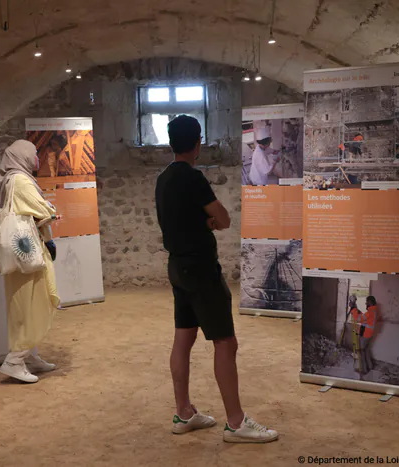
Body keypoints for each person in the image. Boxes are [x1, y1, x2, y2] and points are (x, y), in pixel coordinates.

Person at [155, 115, 279, 444]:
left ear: (171, 143)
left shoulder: (163, 178)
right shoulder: (193, 178)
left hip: (178, 267)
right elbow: (222, 218)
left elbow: (175, 220)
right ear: (197, 143)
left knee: (184, 338)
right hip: (200, 269)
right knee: (226, 342)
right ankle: (236, 423)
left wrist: (201, 222)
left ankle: (183, 413)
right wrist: (209, 223)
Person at [0, 140, 60, 384]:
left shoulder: (9, 180)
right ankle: (14, 360)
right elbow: (45, 211)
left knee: (25, 304)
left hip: (21, 254)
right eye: (34, 154)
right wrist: (52, 211)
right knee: (31, 305)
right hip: (27, 254)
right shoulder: (21, 181)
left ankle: (29, 355)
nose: (36, 159)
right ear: (22, 156)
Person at [357, 296, 378, 374]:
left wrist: (354, 310)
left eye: (367, 302)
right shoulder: (374, 311)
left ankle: (364, 370)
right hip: (370, 334)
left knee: (362, 351)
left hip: (365, 334)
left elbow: (359, 319)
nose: (366, 303)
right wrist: (360, 313)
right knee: (366, 350)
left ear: (370, 302)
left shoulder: (369, 312)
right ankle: (370, 366)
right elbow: (366, 318)